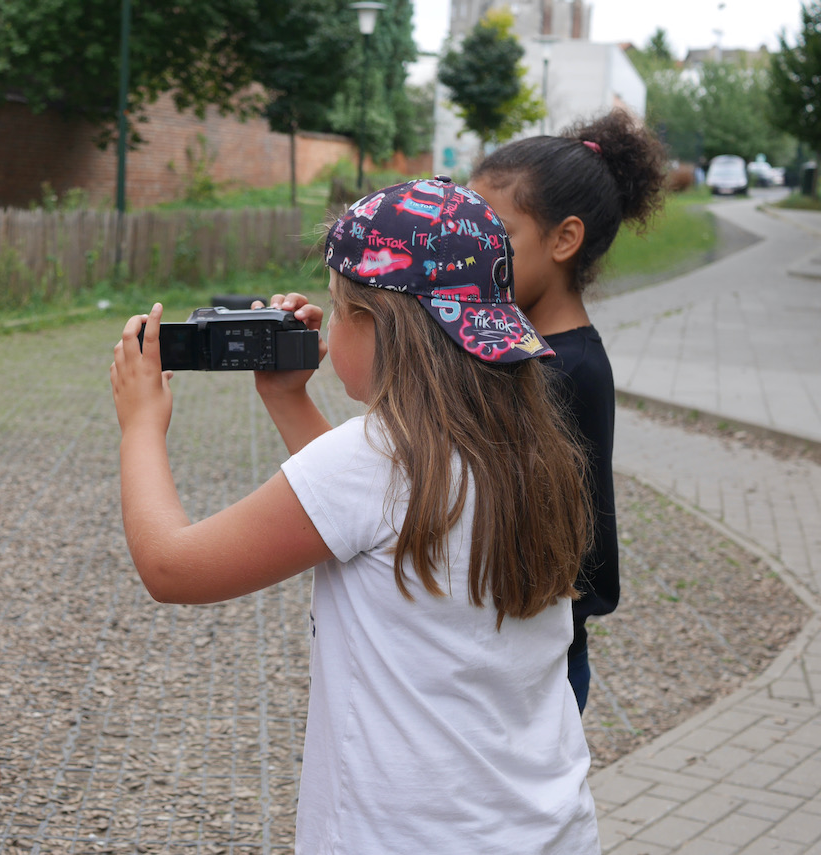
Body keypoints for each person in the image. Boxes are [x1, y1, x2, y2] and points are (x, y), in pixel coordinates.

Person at [111, 177, 600, 854]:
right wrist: (287, 399)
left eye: (340, 309)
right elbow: (374, 520)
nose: (330, 325)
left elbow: (171, 567)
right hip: (540, 828)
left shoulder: (373, 458)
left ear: (379, 325)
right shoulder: (527, 444)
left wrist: (140, 426)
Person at [468, 109, 669, 713]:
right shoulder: (523, 349)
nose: (472, 255)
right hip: (509, 657)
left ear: (563, 240)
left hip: (534, 672)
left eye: (494, 236)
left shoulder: (566, 371)